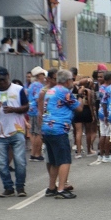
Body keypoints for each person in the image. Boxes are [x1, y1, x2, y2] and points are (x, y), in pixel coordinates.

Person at [0, 67, 29, 197]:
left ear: (8, 76)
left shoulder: (18, 89)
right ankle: (8, 187)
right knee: (2, 164)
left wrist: (14, 109)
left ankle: (20, 187)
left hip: (17, 130)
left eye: (3, 79)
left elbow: (26, 107)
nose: (1, 83)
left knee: (20, 162)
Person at [42, 69, 82, 199]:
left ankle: (51, 187)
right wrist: (80, 96)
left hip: (47, 127)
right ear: (67, 81)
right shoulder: (64, 92)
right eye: (72, 80)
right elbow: (79, 108)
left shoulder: (50, 90)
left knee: (54, 160)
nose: (73, 82)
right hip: (59, 128)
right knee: (65, 159)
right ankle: (61, 189)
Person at [27, 66, 47, 162]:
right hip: (36, 110)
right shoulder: (39, 86)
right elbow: (38, 99)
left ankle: (33, 153)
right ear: (39, 75)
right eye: (43, 75)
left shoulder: (31, 85)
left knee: (33, 133)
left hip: (31, 110)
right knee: (38, 133)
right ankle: (37, 154)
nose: (44, 77)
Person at [73, 78, 96, 158]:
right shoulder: (88, 91)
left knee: (78, 132)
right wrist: (93, 114)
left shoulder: (76, 89)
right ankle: (89, 150)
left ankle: (78, 152)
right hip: (86, 110)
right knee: (88, 132)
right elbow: (90, 103)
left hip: (77, 110)